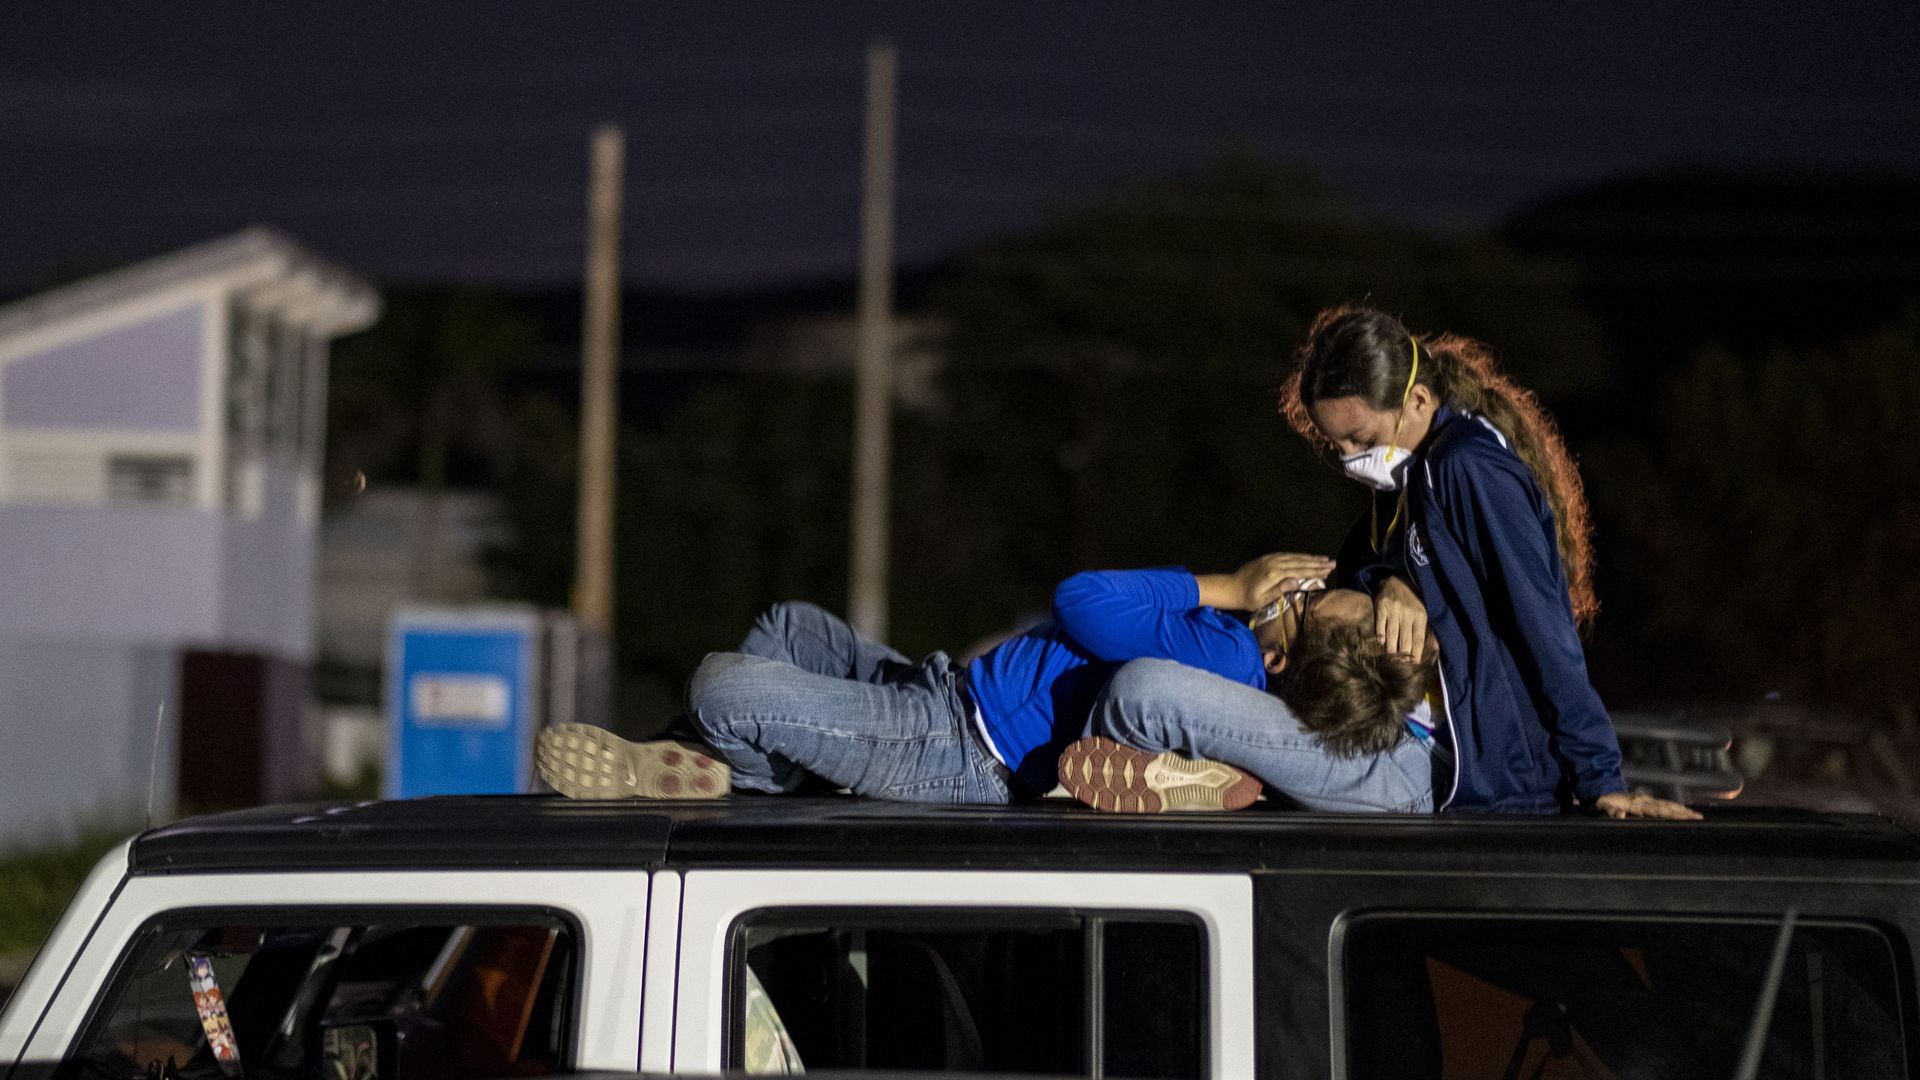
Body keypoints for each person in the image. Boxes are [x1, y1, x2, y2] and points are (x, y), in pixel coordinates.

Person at [536, 553, 1417, 811]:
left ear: (1283, 642)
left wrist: (1227, 583)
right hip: (944, 690)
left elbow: (1080, 597)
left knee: (724, 684)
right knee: (788, 626)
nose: (1307, 578)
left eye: (1309, 596)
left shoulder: (1220, 650)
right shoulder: (1240, 650)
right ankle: (762, 771)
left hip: (956, 748)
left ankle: (733, 772)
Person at [1277, 304, 1697, 819]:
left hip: (1510, 789)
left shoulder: (1466, 467)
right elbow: (1351, 569)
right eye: (1334, 443)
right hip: (1471, 775)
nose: (1347, 457)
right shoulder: (1407, 478)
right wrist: (1396, 580)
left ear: (1418, 400)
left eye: (1359, 439)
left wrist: (1600, 778)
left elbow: (1545, 629)